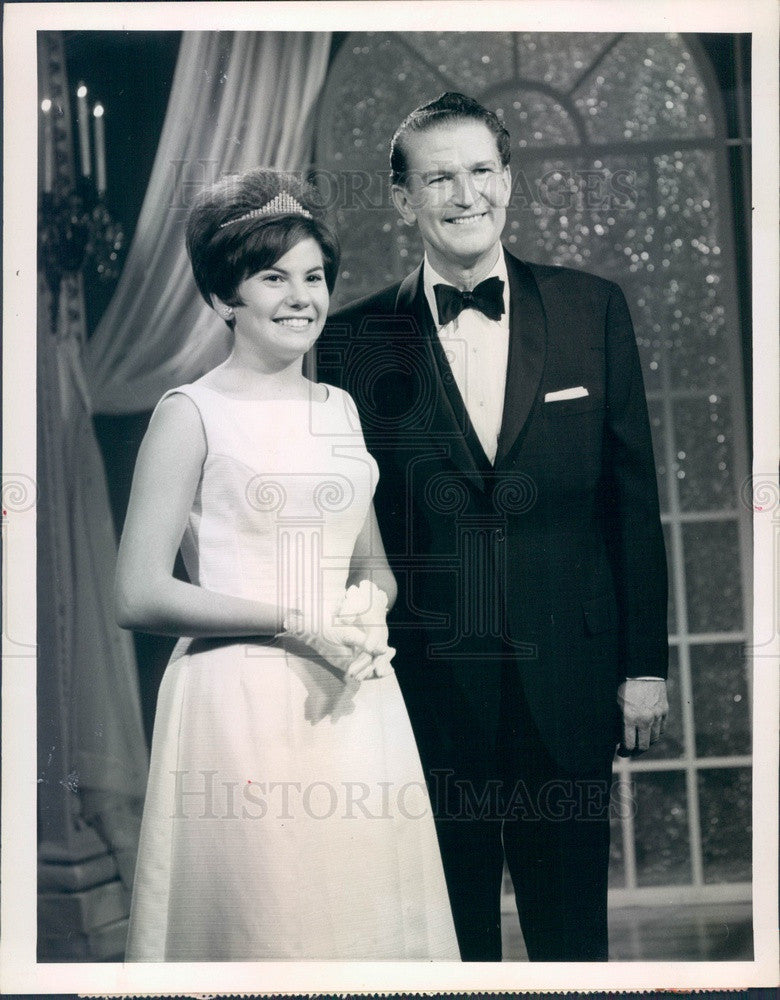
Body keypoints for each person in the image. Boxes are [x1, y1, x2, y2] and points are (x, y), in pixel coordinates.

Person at [318, 92, 669, 962]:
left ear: (508, 181)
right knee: (445, 941)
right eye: (439, 177)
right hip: (428, 694)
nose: (465, 194)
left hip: (572, 682)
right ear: (405, 200)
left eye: (481, 171)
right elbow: (341, 527)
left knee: (572, 941)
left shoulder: (594, 310)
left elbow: (632, 502)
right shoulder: (351, 339)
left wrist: (644, 669)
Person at [116, 169, 459, 961]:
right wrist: (294, 618)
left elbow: (372, 564)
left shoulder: (337, 408)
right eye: (273, 277)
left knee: (362, 923)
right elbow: (137, 592)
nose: (301, 296)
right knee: (270, 925)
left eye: (314, 277)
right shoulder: (189, 413)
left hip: (352, 696)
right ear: (223, 298)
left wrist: (366, 609)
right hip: (238, 705)